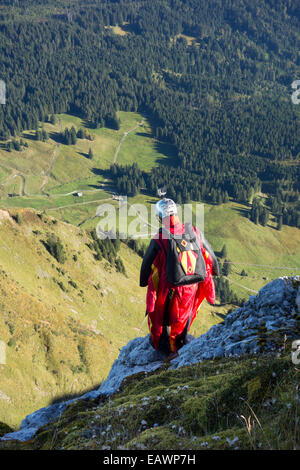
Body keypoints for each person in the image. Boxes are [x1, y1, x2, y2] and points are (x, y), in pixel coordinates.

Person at [140, 198, 219, 359]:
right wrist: (215, 270)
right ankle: (181, 341)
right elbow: (211, 257)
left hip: (168, 288)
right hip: (191, 286)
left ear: (159, 218)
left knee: (162, 317)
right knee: (185, 314)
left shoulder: (160, 238)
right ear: (176, 213)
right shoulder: (194, 231)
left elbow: (146, 264)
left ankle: (162, 348)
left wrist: (143, 282)